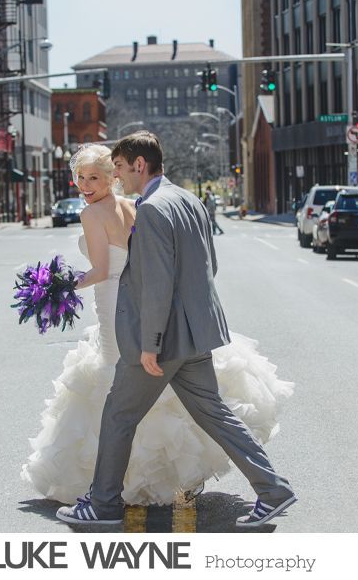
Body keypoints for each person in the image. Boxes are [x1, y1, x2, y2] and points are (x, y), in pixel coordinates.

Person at [22, 142, 292, 516]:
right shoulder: (188, 200)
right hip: (195, 333)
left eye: (118, 167)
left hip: (157, 335)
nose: (117, 175)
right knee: (214, 413)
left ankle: (102, 504)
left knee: (119, 414)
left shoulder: (150, 209)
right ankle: (274, 491)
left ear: (139, 164)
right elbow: (208, 266)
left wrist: (150, 344)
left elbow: (156, 284)